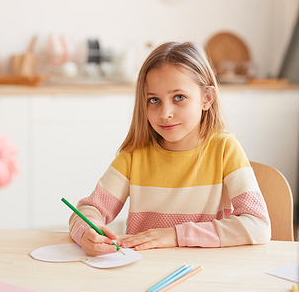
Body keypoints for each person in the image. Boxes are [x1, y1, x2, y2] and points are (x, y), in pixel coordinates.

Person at [68, 41, 271, 256]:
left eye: (179, 97)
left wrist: (174, 235)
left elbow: (257, 225)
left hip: (204, 272)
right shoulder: (135, 155)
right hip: (142, 270)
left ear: (207, 98)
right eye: (154, 100)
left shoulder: (224, 149)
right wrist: (87, 231)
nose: (165, 113)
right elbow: (88, 210)